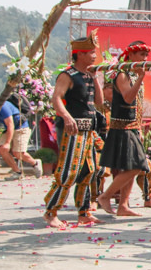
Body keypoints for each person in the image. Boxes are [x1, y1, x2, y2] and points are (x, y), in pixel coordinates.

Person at [43, 32, 105, 228]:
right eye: (90, 53)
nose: (94, 56)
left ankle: (84, 212)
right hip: (73, 130)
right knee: (68, 171)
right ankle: (51, 211)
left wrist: (95, 78)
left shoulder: (88, 75)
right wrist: (67, 117)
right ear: (79, 54)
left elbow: (100, 103)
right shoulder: (67, 75)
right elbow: (56, 98)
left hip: (88, 130)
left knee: (89, 171)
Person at [95, 42, 150, 216]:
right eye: (141, 54)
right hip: (122, 128)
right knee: (137, 166)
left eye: (145, 55)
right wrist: (141, 78)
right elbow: (127, 98)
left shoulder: (132, 75)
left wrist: (139, 128)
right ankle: (106, 196)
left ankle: (123, 206)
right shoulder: (122, 74)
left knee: (130, 168)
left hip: (132, 127)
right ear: (131, 56)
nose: (145, 58)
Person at [0, 92, 43, 180]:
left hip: (21, 127)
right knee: (2, 150)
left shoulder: (1, 106)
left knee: (18, 153)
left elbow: (10, 124)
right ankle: (17, 172)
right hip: (9, 128)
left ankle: (35, 163)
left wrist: (7, 143)